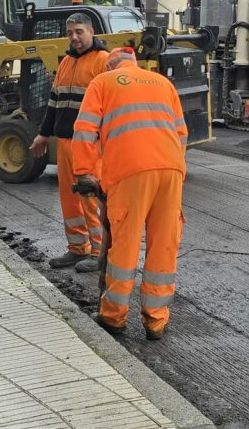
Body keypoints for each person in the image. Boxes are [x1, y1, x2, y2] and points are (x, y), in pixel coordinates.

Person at [72, 48, 188, 340]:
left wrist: (84, 172)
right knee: (164, 246)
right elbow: (181, 133)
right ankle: (156, 320)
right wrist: (174, 167)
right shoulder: (163, 83)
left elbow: (84, 129)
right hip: (171, 168)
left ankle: (113, 317)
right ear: (135, 64)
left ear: (110, 66)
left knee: (125, 244)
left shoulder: (102, 82)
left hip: (130, 171)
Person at [29, 13, 109, 272]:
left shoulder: (103, 61)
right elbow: (54, 102)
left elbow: (110, 106)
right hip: (65, 142)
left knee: (90, 197)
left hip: (90, 145)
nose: (74, 37)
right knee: (69, 199)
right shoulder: (65, 62)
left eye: (79, 31)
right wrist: (43, 134)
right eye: (70, 32)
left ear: (91, 32)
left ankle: (99, 251)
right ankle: (77, 247)